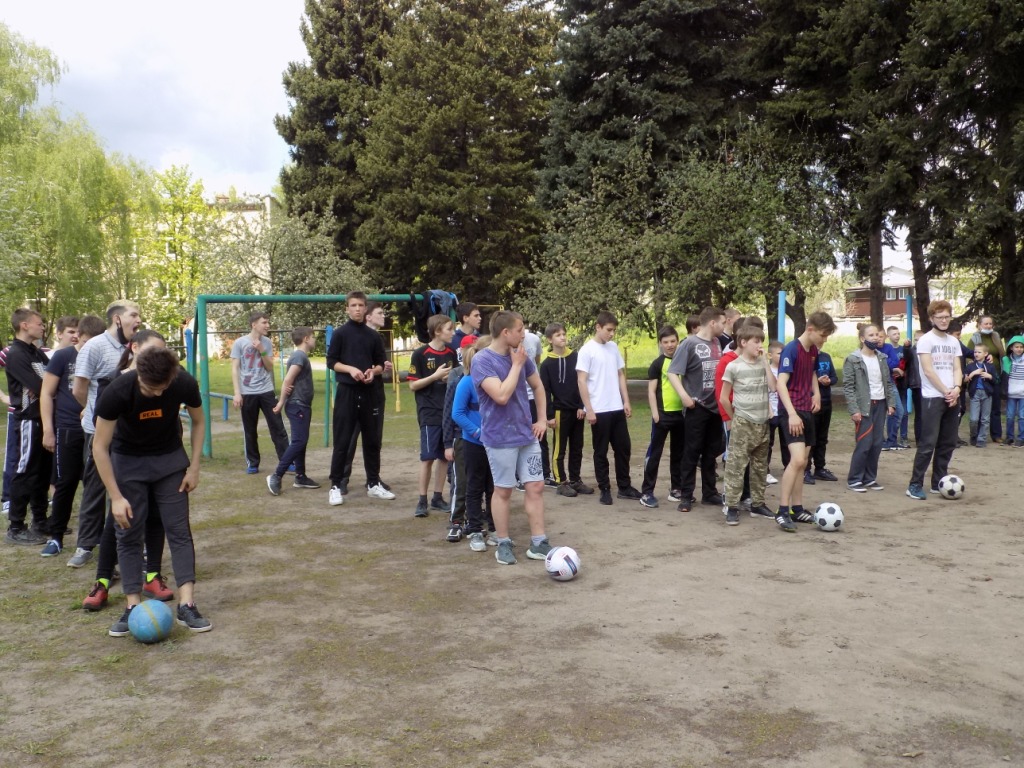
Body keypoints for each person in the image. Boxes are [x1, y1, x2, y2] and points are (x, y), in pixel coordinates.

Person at [93, 346, 212, 636]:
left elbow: (199, 421)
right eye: (150, 388)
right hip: (128, 463)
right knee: (128, 533)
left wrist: (194, 467)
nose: (157, 394)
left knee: (179, 530)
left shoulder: (183, 382)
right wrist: (116, 497)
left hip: (169, 461)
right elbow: (99, 446)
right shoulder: (117, 391)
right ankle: (132, 606)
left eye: (162, 388)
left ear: (172, 377)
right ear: (138, 374)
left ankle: (187, 605)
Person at [81, 330, 176, 610]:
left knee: (155, 515)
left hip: (158, 459)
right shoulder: (115, 382)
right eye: (152, 351)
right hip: (121, 460)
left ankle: (152, 576)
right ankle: (103, 580)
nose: (158, 358)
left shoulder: (166, 382)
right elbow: (100, 431)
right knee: (119, 518)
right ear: (135, 349)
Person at [470, 310, 553, 565]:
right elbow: (501, 396)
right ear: (505, 333)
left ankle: (539, 542)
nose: (524, 334)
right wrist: (516, 365)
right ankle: (503, 542)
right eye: (520, 329)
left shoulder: (522, 355)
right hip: (499, 438)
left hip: (526, 435)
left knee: (536, 486)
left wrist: (541, 419)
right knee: (504, 490)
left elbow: (538, 386)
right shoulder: (482, 360)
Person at [66, 301, 141, 568]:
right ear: (117, 319)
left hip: (130, 434)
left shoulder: (136, 347)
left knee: (130, 488)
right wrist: (93, 412)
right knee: (96, 488)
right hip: (98, 432)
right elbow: (79, 389)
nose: (139, 320)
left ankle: (130, 544)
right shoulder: (95, 346)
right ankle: (86, 545)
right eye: (134, 315)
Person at [39, 314, 106, 557]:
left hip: (96, 430)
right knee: (64, 483)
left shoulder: (103, 355)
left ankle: (95, 536)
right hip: (68, 429)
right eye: (87, 342)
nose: (90, 347)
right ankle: (56, 536)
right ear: (78, 337)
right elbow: (46, 393)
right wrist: (48, 429)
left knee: (95, 485)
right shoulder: (63, 357)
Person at [326, 291, 392, 505]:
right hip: (347, 391)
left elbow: (380, 363)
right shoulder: (340, 334)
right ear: (347, 308)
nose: (357, 309)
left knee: (372, 440)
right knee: (343, 440)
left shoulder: (373, 336)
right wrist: (350, 369)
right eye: (353, 305)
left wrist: (374, 371)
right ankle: (336, 485)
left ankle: (373, 483)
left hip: (370, 392)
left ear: (365, 309)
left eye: (360, 305)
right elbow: (331, 361)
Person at [775, 311, 837, 531]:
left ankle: (797, 508)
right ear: (810, 329)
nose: (824, 339)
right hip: (792, 411)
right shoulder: (791, 349)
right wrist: (791, 413)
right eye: (823, 335)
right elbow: (780, 383)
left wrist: (816, 393)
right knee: (797, 460)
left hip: (806, 410)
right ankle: (782, 510)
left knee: (803, 462)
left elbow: (811, 373)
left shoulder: (813, 351)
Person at [576, 311, 640, 506]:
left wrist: (626, 401)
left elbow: (620, 374)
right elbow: (581, 380)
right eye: (608, 330)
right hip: (599, 409)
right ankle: (604, 488)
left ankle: (624, 486)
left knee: (623, 448)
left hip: (616, 407)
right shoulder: (587, 350)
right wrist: (589, 409)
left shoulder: (613, 347)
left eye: (614, 330)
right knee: (601, 451)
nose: (611, 334)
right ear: (598, 327)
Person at [667, 306, 726, 513]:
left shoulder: (717, 342)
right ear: (712, 323)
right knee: (691, 452)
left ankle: (709, 493)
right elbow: (672, 372)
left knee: (710, 453)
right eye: (722, 322)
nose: (724, 326)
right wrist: (684, 396)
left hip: (715, 408)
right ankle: (686, 495)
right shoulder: (689, 343)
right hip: (696, 407)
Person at [718, 324, 777, 525]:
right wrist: (734, 418)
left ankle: (757, 504)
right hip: (743, 422)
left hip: (762, 422)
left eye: (761, 341)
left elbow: (773, 387)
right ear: (743, 342)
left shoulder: (762, 364)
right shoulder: (734, 366)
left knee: (760, 467)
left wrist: (766, 363)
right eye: (756, 341)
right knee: (736, 466)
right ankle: (732, 506)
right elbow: (724, 397)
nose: (760, 345)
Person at [3, 309, 53, 545]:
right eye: (39, 323)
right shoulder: (15, 354)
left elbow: (53, 378)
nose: (42, 327)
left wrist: (49, 385)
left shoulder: (36, 352)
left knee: (42, 472)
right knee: (25, 472)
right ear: (24, 325)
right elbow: (41, 385)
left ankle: (40, 521)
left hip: (44, 419)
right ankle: (16, 526)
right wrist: (48, 385)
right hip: (28, 420)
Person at [906, 301, 963, 500]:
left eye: (947, 317)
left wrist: (956, 389)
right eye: (940, 317)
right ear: (932, 319)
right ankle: (914, 484)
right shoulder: (926, 340)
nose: (944, 320)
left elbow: (957, 368)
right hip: (933, 397)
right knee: (928, 443)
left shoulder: (953, 342)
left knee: (948, 442)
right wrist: (946, 391)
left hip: (952, 396)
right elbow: (928, 371)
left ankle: (938, 481)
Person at [341, 301, 394, 494]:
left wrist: (382, 367)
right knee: (349, 438)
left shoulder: (377, 338)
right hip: (356, 394)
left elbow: (378, 365)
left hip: (375, 393)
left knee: (374, 439)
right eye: (380, 313)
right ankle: (342, 479)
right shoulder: (354, 337)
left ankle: (373, 479)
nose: (383, 316)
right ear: (368, 316)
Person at [408, 313, 458, 517]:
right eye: (449, 329)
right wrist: (435, 376)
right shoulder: (420, 354)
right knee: (427, 458)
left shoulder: (451, 353)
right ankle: (422, 500)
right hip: (428, 412)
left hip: (447, 412)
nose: (453, 333)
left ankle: (438, 497)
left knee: (445, 456)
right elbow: (413, 385)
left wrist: (448, 380)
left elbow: (455, 379)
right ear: (437, 331)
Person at [231, 311, 289, 474]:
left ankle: (286, 460)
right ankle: (253, 463)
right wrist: (237, 393)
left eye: (268, 322)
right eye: (264, 322)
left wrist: (261, 349)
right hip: (247, 392)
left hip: (266, 390)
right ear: (254, 324)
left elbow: (269, 367)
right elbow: (235, 369)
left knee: (277, 426)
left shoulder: (267, 342)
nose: (267, 325)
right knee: (250, 430)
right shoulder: (239, 343)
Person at [452, 337, 497, 552]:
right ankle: (476, 530)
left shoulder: (497, 382)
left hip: (496, 443)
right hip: (474, 443)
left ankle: (495, 528)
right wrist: (477, 432)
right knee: (474, 486)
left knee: (494, 487)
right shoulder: (467, 381)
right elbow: (457, 414)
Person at [266, 327, 321, 495]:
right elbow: (288, 380)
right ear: (306, 339)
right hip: (297, 405)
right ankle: (276, 475)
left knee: (301, 442)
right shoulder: (299, 356)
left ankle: (300, 476)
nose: (314, 340)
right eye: (313, 337)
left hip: (302, 405)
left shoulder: (300, 356)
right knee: (299, 441)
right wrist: (281, 402)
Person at [539, 322, 591, 498]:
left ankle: (576, 480)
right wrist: (549, 415)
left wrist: (582, 405)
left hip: (577, 410)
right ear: (550, 339)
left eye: (564, 334)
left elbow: (582, 382)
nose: (562, 337)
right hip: (560, 412)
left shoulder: (575, 357)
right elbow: (545, 391)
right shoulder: (546, 364)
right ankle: (561, 481)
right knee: (559, 449)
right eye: (558, 335)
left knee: (577, 447)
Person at [843, 324, 896, 492]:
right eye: (871, 335)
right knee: (864, 442)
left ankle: (869, 478)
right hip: (864, 406)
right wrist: (854, 409)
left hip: (880, 403)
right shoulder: (853, 359)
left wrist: (891, 403)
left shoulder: (882, 358)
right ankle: (854, 479)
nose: (875, 338)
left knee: (877, 443)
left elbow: (887, 382)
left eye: (877, 335)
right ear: (862, 338)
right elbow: (848, 387)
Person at [639, 325, 685, 508]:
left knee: (678, 454)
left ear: (678, 341)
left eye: (673, 341)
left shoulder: (683, 361)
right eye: (666, 342)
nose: (670, 345)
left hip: (681, 416)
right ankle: (647, 492)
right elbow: (651, 391)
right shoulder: (657, 364)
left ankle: (676, 489)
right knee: (655, 454)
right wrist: (655, 413)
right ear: (660, 343)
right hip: (662, 416)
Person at [441, 335, 477, 542]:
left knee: (477, 482)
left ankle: (475, 519)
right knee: (460, 482)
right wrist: (448, 444)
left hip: (481, 440)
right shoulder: (457, 381)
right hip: (460, 438)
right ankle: (456, 521)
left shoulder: (487, 383)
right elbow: (449, 414)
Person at [967, 315, 1006, 444]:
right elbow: (969, 356)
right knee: (979, 411)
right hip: (980, 378)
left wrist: (993, 358)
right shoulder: (975, 338)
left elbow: (1002, 354)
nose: (989, 326)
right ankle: (978, 435)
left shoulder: (996, 336)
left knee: (995, 407)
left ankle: (996, 434)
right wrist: (981, 358)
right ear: (979, 325)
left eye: (990, 324)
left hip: (994, 376)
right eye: (986, 324)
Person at [805, 344, 839, 482]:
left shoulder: (826, 357)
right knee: (810, 437)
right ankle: (805, 469)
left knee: (822, 438)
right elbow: (800, 380)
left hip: (826, 402)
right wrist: (816, 382)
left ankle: (820, 468)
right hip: (810, 402)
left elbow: (835, 377)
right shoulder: (805, 357)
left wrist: (829, 381)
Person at [965, 346, 996, 448]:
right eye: (975, 352)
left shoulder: (990, 366)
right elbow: (965, 380)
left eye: (979, 352)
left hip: (987, 394)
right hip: (975, 393)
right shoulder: (970, 366)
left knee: (985, 419)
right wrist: (973, 373)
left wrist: (990, 376)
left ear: (985, 354)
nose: (976, 354)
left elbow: (996, 380)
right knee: (974, 419)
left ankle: (982, 439)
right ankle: (973, 436)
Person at [885, 326, 911, 449]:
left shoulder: (903, 349)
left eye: (898, 333)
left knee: (904, 412)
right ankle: (891, 438)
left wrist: (904, 373)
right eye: (894, 334)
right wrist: (894, 370)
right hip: (891, 384)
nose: (897, 336)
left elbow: (909, 364)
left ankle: (904, 437)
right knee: (892, 412)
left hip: (902, 384)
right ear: (888, 336)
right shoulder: (887, 349)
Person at [766, 340, 788, 485]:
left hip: (784, 412)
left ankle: (789, 467)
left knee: (787, 442)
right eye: (779, 354)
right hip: (771, 412)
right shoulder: (767, 370)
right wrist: (769, 410)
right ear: (770, 355)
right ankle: (765, 471)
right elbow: (765, 392)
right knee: (768, 443)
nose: (782, 356)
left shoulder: (786, 371)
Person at [1001, 335, 1024, 445]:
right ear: (1011, 348)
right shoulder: (1006, 360)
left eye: (1021, 347)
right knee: (1010, 416)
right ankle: (1009, 437)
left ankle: (1021, 438)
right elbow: (1004, 376)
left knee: (1022, 416)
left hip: (1023, 394)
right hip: (1011, 393)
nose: (1019, 349)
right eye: (1016, 347)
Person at [905, 329, 925, 444]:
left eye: (921, 340)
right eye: (916, 340)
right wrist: (906, 347)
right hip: (917, 385)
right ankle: (919, 439)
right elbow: (906, 356)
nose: (918, 342)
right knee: (919, 413)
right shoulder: (911, 351)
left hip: (929, 386)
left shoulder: (930, 351)